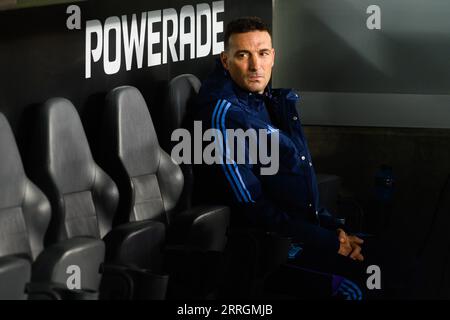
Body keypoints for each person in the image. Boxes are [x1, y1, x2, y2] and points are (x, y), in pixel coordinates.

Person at [191, 16, 380, 298]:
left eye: (263, 54)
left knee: (387, 258)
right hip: (266, 249)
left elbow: (294, 188)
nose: (256, 66)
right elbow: (252, 207)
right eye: (243, 55)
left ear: (273, 57)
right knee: (355, 287)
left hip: (303, 232)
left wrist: (335, 229)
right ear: (225, 60)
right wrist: (327, 242)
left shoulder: (271, 100)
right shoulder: (223, 115)